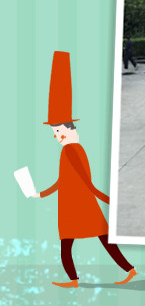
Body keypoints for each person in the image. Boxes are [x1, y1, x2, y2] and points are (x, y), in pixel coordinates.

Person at [33, 52, 137, 288]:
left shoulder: (71, 150)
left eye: (59, 132)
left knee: (70, 244)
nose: (57, 137)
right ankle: (128, 270)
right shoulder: (73, 149)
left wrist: (105, 198)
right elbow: (63, 180)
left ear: (70, 129)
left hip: (77, 205)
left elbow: (84, 179)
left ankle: (75, 280)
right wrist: (40, 194)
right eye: (55, 134)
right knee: (102, 240)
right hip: (76, 204)